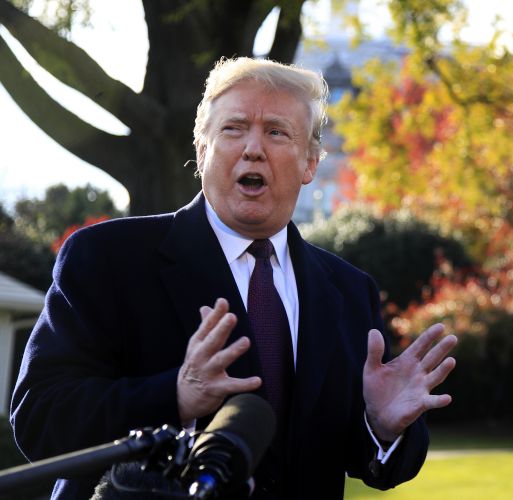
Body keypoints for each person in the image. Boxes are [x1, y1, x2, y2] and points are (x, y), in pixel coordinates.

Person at [11, 57, 457, 500]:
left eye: (277, 132)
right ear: (202, 152)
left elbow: (366, 462)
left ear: (309, 164)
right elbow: (39, 417)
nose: (253, 148)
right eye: (233, 128)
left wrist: (380, 427)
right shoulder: (107, 258)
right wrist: (176, 397)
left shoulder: (348, 290)